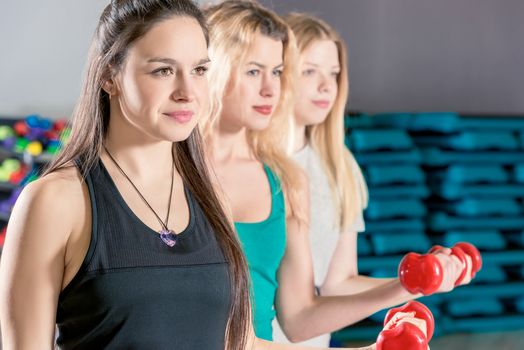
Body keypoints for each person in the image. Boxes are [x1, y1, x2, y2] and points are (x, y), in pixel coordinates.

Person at [203, 0, 460, 346]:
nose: (270, 88)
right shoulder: (170, 171)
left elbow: (300, 315)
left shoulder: (290, 182)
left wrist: (410, 284)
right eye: (253, 71)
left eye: (277, 72)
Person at [0, 1, 254, 348]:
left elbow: (239, 343)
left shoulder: (212, 198)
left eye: (199, 70)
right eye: (163, 70)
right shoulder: (56, 201)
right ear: (109, 76)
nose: (187, 92)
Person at [271, 12, 474, 346]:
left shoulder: (339, 166)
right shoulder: (253, 167)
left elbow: (338, 282)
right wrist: (406, 286)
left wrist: (424, 281)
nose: (326, 86)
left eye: (334, 74)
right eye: (310, 71)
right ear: (278, 73)